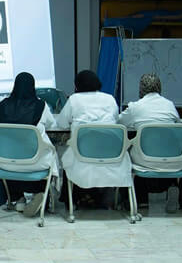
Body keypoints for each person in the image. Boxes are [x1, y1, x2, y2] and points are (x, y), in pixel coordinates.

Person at [55, 70, 128, 210]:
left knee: (68, 159)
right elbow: (116, 121)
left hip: (82, 155)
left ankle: (71, 200)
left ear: (77, 85)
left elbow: (61, 124)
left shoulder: (74, 100)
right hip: (110, 154)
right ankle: (117, 199)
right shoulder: (109, 99)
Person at [118, 73, 182, 213]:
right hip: (173, 159)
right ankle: (179, 194)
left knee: (127, 156)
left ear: (141, 89)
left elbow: (119, 122)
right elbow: (178, 125)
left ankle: (139, 199)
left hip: (145, 160)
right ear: (159, 87)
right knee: (173, 158)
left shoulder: (135, 107)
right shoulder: (169, 105)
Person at [0, 72, 58, 217]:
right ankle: (40, 194)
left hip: (6, 162)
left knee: (13, 157)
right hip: (34, 162)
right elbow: (52, 125)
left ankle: (17, 199)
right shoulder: (40, 105)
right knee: (50, 155)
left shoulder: (3, 105)